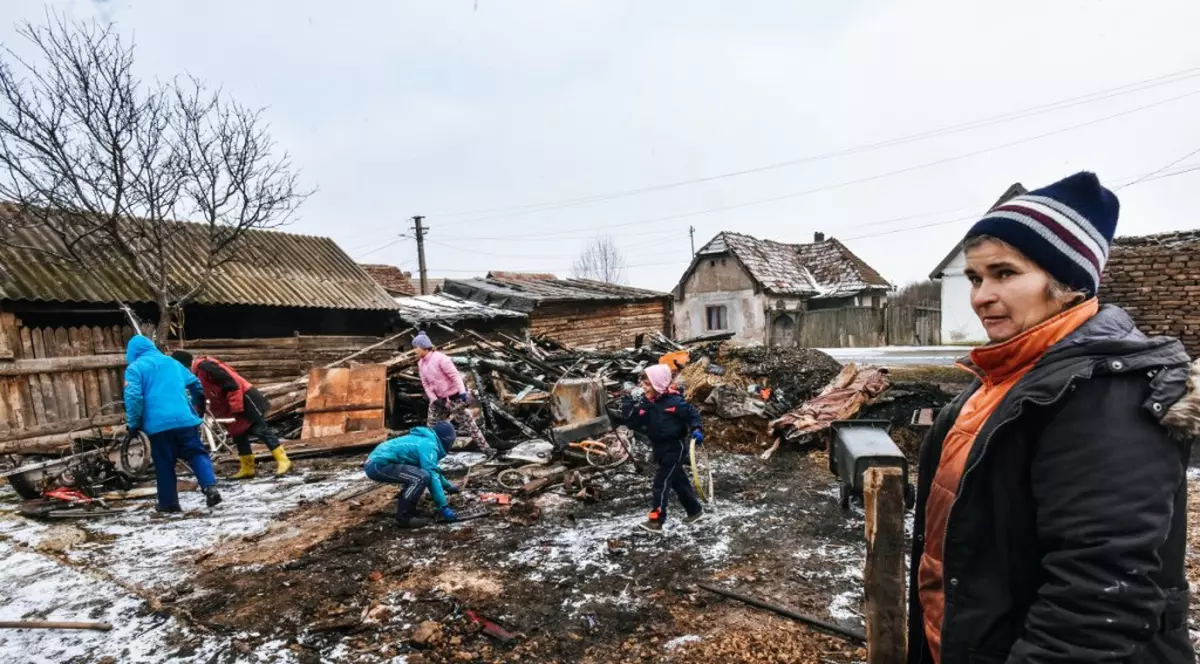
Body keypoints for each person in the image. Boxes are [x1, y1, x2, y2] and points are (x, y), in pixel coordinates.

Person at [908, 172, 1198, 664]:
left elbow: (1095, 598)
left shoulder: (1105, 396)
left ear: (1066, 284)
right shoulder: (1008, 377)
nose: (981, 296)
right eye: (976, 277)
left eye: (1005, 273)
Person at [124, 335, 222, 512]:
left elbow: (133, 397)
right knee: (196, 453)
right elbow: (196, 385)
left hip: (157, 426)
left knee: (164, 464)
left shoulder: (135, 368)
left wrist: (134, 424)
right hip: (185, 421)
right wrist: (197, 406)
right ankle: (210, 487)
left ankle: (169, 504)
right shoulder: (172, 363)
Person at [171, 350, 292, 479]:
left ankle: (283, 460)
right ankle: (247, 467)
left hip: (244, 398)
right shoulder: (194, 376)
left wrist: (236, 407)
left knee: (260, 430)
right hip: (229, 405)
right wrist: (197, 416)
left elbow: (231, 383)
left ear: (183, 366)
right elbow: (200, 397)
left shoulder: (205, 367)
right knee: (238, 434)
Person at [622, 364, 706, 534]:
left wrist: (697, 429)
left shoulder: (675, 403)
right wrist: (629, 405)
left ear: (658, 385)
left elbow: (693, 415)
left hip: (675, 447)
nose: (643, 388)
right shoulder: (645, 405)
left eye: (647, 384)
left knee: (662, 483)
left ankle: (656, 520)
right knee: (678, 481)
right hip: (659, 448)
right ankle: (695, 510)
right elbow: (632, 423)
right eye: (643, 384)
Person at [364, 421, 460, 529]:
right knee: (420, 478)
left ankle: (410, 511)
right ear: (446, 440)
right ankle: (404, 518)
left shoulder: (428, 441)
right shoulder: (429, 445)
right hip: (378, 465)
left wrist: (448, 486)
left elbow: (433, 470)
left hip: (379, 463)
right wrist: (443, 507)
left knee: (419, 475)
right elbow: (432, 474)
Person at [413, 331, 492, 454]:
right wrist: (434, 399)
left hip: (454, 398)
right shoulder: (421, 363)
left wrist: (462, 393)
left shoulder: (441, 359)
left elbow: (455, 377)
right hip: (438, 401)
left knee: (470, 425)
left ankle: (486, 449)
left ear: (424, 347)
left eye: (416, 348)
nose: (414, 351)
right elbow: (425, 384)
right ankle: (430, 453)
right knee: (431, 428)